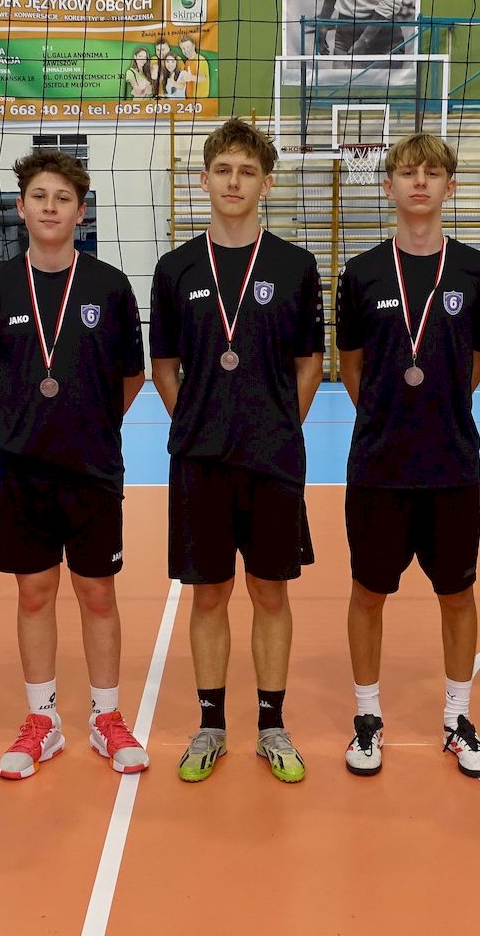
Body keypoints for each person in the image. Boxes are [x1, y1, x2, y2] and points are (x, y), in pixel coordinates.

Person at [150, 118, 325, 783]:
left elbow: (310, 363)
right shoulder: (176, 268)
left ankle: (272, 725)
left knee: (270, 591)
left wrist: (276, 426)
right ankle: (211, 726)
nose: (234, 181)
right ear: (204, 179)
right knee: (209, 595)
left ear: (266, 183)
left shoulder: (294, 266)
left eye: (247, 171)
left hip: (272, 459)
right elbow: (163, 366)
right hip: (201, 461)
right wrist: (198, 422)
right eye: (223, 170)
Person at [0, 150, 150, 779]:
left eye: (63, 198)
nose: (50, 207)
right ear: (21, 208)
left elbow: (132, 376)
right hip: (23, 467)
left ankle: (106, 716)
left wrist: (89, 424)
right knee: (34, 591)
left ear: (81, 211)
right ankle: (42, 719)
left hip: (93, 465)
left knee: (97, 591)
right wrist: (24, 426)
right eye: (40, 197)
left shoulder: (110, 286)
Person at [335, 133, 480, 778]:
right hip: (378, 465)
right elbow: (351, 366)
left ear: (450, 187)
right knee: (368, 592)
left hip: (451, 464)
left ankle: (458, 718)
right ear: (389, 186)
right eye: (408, 173)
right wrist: (387, 414)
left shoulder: (477, 270)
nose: (420, 182)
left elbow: (478, 361)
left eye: (433, 173)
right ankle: (367, 717)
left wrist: (438, 410)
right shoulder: (362, 272)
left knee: (457, 594)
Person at [177, 36, 210, 100]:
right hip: (189, 101)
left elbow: (202, 78)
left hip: (200, 101)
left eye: (188, 47)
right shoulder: (187, 62)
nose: (186, 50)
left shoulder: (200, 60)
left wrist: (191, 77)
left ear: (193, 46)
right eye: (183, 48)